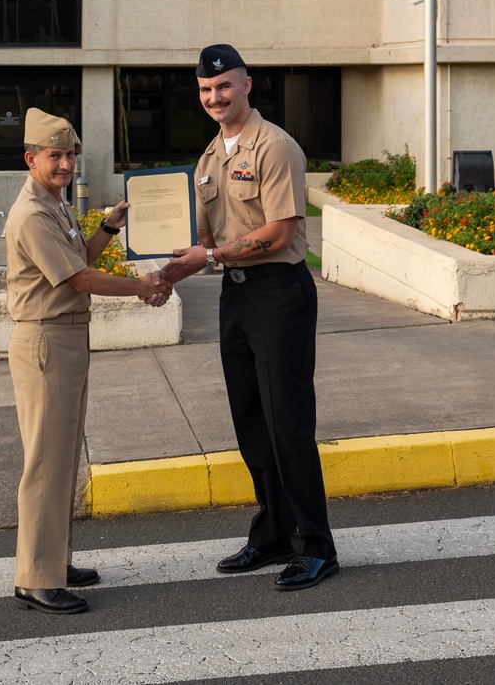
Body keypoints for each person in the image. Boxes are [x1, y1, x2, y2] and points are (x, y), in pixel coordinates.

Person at [160, 44, 337, 591]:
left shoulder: (275, 146)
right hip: (235, 295)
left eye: (224, 86)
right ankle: (274, 534)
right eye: (205, 90)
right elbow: (205, 238)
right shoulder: (210, 157)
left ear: (246, 85)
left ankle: (317, 546)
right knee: (251, 421)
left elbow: (280, 234)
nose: (214, 97)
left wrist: (211, 255)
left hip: (279, 293)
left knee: (288, 422)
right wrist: (166, 267)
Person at [6, 108, 170, 616]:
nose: (65, 164)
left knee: (62, 458)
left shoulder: (53, 204)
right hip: (47, 341)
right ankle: (36, 577)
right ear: (31, 159)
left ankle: (53, 561)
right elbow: (78, 279)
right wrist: (141, 287)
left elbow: (80, 260)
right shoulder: (32, 214)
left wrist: (109, 228)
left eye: (70, 155)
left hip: (67, 339)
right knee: (46, 462)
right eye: (55, 156)